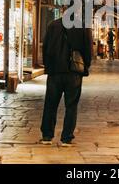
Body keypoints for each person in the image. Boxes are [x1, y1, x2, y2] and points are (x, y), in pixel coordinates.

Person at [40, 16, 92, 147]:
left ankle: (47, 135)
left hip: (55, 71)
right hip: (73, 72)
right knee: (71, 105)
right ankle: (66, 137)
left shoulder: (53, 25)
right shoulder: (83, 27)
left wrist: (48, 66)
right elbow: (88, 50)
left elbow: (45, 47)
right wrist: (84, 65)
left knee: (50, 104)